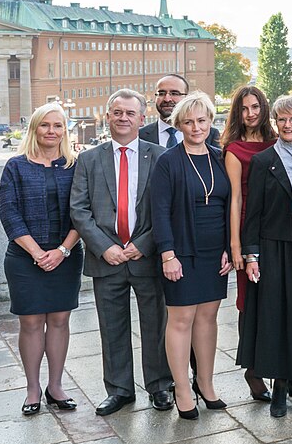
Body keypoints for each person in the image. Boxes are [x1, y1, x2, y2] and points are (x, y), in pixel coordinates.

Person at [69, 89, 173, 416]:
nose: (123, 118)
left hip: (147, 255)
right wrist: (106, 247)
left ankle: (159, 386)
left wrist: (143, 245)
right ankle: (119, 390)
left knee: (156, 325)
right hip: (107, 259)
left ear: (143, 118)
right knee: (111, 326)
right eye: (117, 112)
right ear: (108, 116)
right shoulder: (88, 159)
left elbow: (166, 210)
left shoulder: (160, 157)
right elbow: (79, 209)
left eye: (130, 113)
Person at [236, 95, 292, 418]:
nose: (287, 126)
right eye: (282, 120)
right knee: (277, 316)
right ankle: (280, 385)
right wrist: (251, 254)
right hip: (274, 247)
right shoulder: (263, 162)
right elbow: (252, 213)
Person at [151, 92, 233, 420]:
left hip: (216, 252)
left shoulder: (219, 157)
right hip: (182, 251)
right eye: (189, 121)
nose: (196, 127)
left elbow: (231, 205)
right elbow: (159, 212)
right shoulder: (168, 161)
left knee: (208, 319)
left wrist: (230, 247)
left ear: (211, 121)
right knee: (181, 320)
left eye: (202, 121)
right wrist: (168, 255)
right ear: (179, 124)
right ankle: (182, 388)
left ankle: (206, 383)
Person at [0, 102, 83, 416]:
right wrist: (37, 253)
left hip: (67, 254)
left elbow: (82, 214)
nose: (52, 131)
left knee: (60, 321)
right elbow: (9, 214)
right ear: (35, 128)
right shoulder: (16, 167)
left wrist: (62, 251)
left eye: (58, 125)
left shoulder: (76, 165)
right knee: (31, 323)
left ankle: (56, 386)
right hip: (24, 258)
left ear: (65, 129)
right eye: (45, 125)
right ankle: (33, 389)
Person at [222, 85, 278, 403]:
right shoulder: (234, 149)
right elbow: (235, 200)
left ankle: (285, 370)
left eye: (255, 106)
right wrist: (236, 246)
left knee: (279, 301)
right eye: (244, 109)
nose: (251, 113)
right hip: (248, 232)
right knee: (250, 303)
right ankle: (253, 370)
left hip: (279, 233)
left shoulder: (276, 142)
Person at [140, 74, 220, 148]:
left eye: (174, 93)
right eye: (161, 93)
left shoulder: (209, 134)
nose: (167, 99)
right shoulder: (140, 135)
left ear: (187, 97)